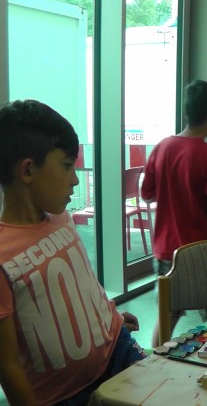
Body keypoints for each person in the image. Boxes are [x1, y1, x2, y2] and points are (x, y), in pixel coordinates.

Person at [0, 100, 145, 406]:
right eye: (67, 166)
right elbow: (8, 365)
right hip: (66, 397)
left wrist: (109, 315)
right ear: (28, 170)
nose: (76, 179)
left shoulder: (62, 218)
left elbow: (82, 283)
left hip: (118, 350)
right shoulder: (2, 255)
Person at [141, 80, 207, 347]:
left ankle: (155, 361)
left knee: (167, 315)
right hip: (203, 252)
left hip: (166, 250)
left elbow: (147, 194)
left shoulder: (161, 148)